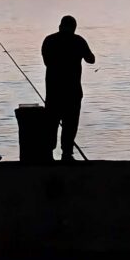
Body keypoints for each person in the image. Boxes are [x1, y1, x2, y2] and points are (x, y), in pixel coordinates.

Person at [41, 15, 95, 162]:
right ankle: (67, 154)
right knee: (70, 124)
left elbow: (47, 62)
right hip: (73, 91)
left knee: (51, 124)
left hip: (53, 91)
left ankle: (48, 154)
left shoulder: (49, 40)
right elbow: (91, 59)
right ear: (74, 28)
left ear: (60, 26)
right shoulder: (78, 41)